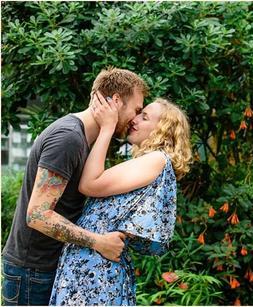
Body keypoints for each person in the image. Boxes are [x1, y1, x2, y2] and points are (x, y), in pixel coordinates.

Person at [1, 67, 148, 306]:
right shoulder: (68, 138)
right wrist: (98, 242)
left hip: (47, 267)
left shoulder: (87, 139)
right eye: (137, 110)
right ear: (117, 101)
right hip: (33, 271)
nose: (135, 119)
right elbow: (38, 215)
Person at [49, 93, 192, 305]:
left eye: (144, 117)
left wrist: (107, 128)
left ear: (164, 130)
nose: (134, 120)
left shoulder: (156, 160)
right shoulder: (149, 161)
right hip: (95, 263)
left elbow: (89, 185)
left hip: (96, 269)